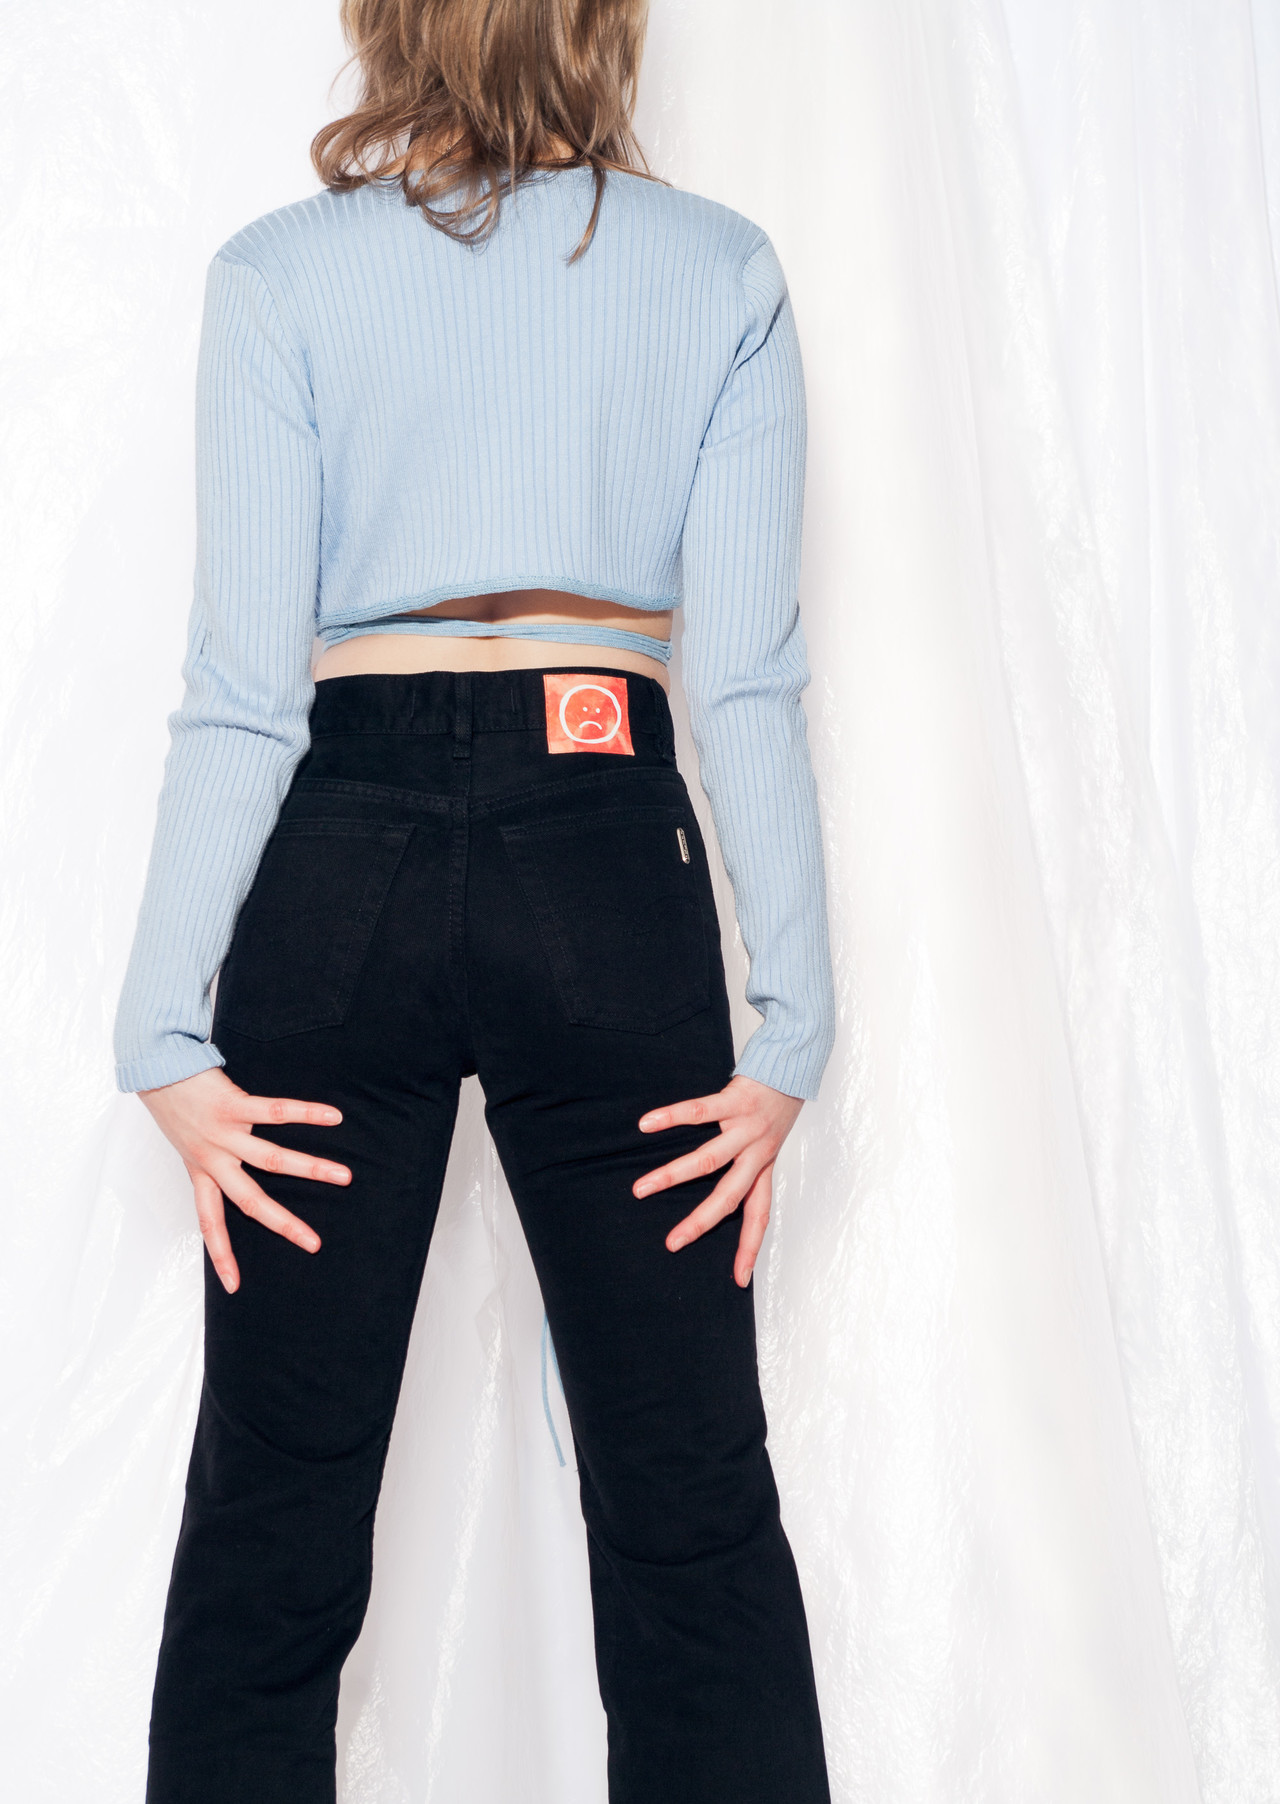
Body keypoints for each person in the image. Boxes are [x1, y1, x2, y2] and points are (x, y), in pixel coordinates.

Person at [113, 0, 836, 1797]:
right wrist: (795, 1024)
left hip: (337, 853)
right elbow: (746, 680)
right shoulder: (721, 273)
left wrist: (159, 1023)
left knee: (274, 1511)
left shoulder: (277, 277)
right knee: (688, 1506)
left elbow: (242, 688)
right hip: (605, 850)